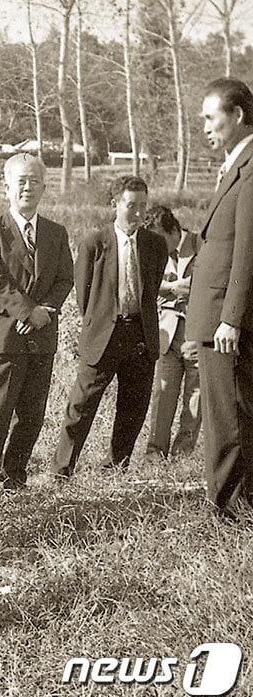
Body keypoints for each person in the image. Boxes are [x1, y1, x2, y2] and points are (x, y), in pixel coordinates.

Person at [0, 154, 74, 492]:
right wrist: (28, 312)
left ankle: (14, 477)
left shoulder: (56, 233)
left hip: (41, 337)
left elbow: (64, 279)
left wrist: (45, 312)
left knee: (32, 415)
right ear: (7, 186)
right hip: (3, 337)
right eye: (21, 181)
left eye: (35, 181)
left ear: (44, 186)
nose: (28, 187)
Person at [52, 175, 167, 479]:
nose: (139, 213)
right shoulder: (95, 242)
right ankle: (62, 469)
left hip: (140, 336)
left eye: (144, 206)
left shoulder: (155, 244)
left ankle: (116, 466)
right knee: (81, 405)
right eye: (132, 206)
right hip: (104, 335)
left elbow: (151, 289)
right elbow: (84, 294)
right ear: (115, 204)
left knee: (134, 405)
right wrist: (102, 323)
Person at [187, 77, 253, 518]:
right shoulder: (234, 167)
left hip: (226, 324)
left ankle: (227, 514)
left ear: (238, 116)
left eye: (212, 117)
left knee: (226, 419)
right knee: (233, 414)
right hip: (219, 319)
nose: (206, 127)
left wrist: (229, 317)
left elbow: (247, 250)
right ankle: (239, 505)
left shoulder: (249, 170)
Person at [145, 205, 201, 459]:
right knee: (163, 392)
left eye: (160, 237)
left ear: (174, 230)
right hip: (167, 334)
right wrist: (171, 286)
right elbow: (145, 282)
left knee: (195, 397)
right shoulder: (153, 250)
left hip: (196, 332)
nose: (156, 244)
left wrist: (190, 288)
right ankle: (154, 453)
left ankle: (182, 454)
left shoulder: (201, 244)